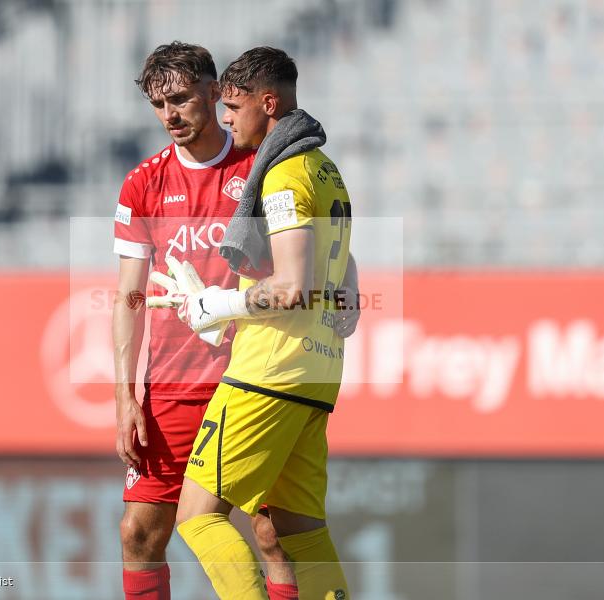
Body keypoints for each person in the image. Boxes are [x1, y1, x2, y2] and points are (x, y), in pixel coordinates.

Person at [112, 41, 359, 600]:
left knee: (267, 533)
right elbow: (129, 297)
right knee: (140, 531)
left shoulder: (263, 163)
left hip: (251, 369)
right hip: (179, 380)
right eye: (158, 105)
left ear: (213, 88)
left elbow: (310, 258)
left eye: (182, 99)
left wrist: (345, 287)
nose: (170, 115)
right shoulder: (143, 183)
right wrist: (125, 396)